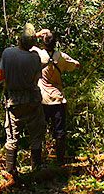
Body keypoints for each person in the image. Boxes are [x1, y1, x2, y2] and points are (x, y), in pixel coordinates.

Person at [0, 24, 46, 179]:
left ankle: (11, 170)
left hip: (14, 102)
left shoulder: (8, 53)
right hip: (32, 101)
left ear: (19, 40)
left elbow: (0, 76)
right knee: (36, 135)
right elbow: (37, 77)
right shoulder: (35, 57)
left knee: (12, 137)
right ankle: (36, 168)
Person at [33, 28, 80, 166]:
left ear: (43, 42)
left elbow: (24, 43)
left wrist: (37, 34)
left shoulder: (38, 54)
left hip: (42, 99)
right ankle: (60, 162)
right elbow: (76, 64)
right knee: (59, 132)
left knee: (38, 132)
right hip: (58, 99)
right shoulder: (61, 56)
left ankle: (37, 163)